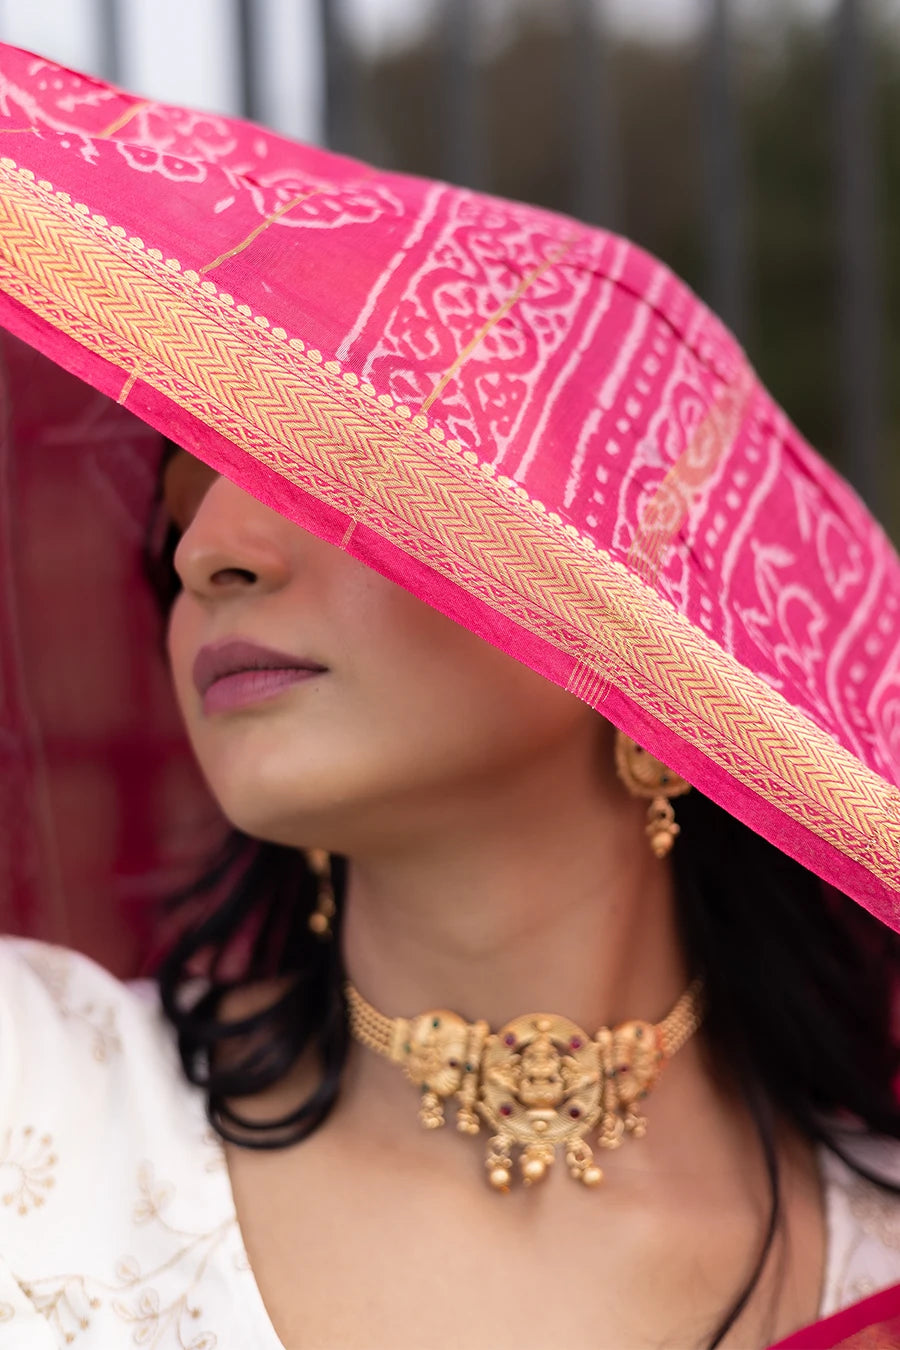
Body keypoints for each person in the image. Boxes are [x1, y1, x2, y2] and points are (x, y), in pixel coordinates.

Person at [0, 40, 898, 1350]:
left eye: (327, 472)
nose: (206, 556)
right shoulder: (45, 1101)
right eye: (180, 517)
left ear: (643, 604)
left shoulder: (871, 1256)